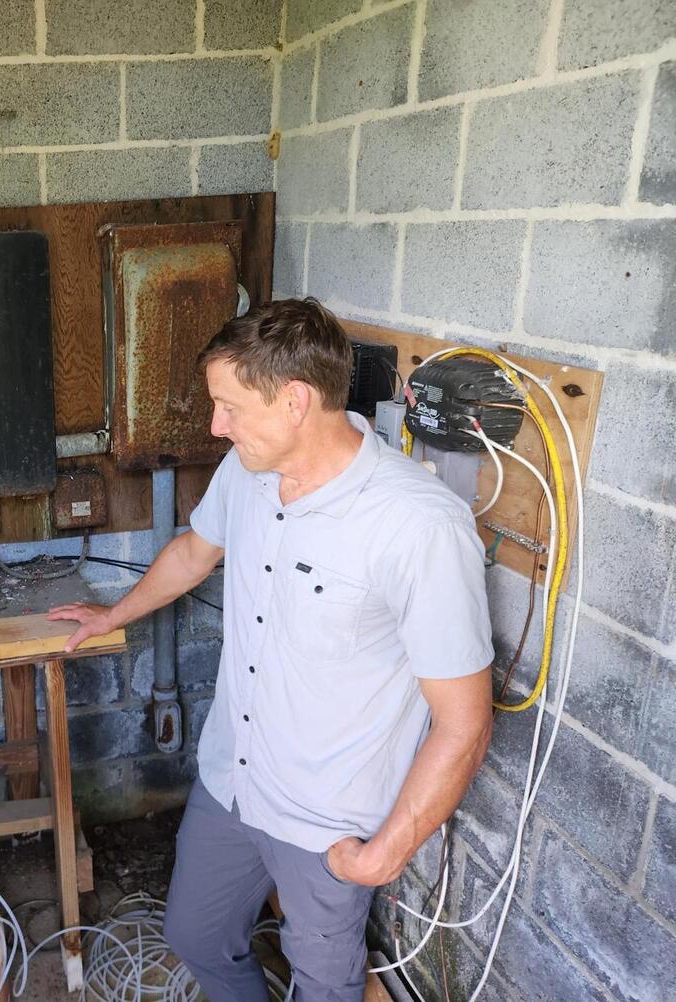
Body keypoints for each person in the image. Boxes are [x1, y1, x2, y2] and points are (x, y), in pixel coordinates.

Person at [48, 298, 493, 1002]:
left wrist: (385, 855)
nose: (215, 425)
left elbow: (464, 723)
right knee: (196, 936)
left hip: (328, 814)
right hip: (233, 780)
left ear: (294, 400)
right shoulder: (248, 471)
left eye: (229, 407)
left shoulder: (417, 526)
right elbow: (196, 551)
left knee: (325, 984)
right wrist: (112, 614)